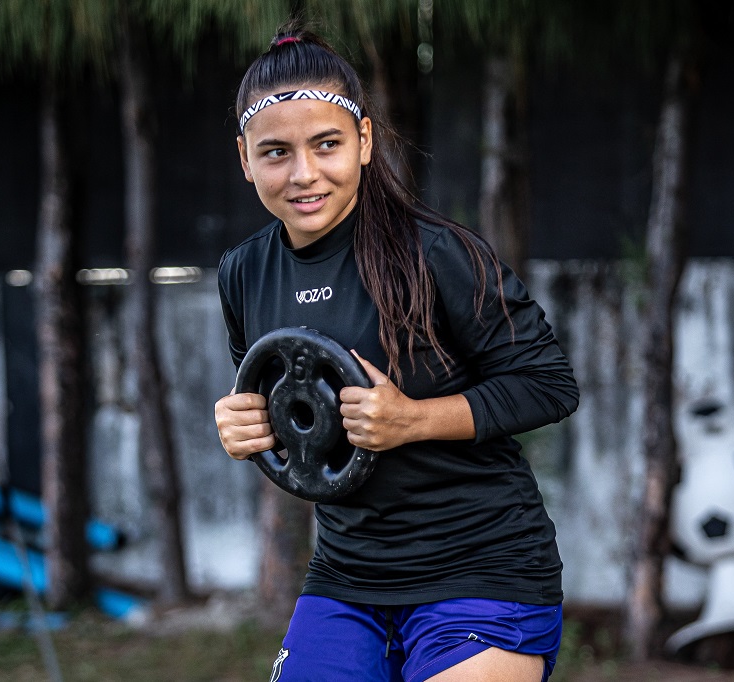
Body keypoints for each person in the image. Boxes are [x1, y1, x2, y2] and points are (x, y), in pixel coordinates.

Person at [214, 24, 579, 682]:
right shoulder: (243, 273)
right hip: (349, 576)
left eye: (326, 144)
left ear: (364, 142)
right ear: (244, 158)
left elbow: (548, 384)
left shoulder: (439, 253)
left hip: (483, 567)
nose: (303, 174)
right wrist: (249, 427)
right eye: (275, 153)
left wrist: (413, 419)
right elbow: (289, 415)